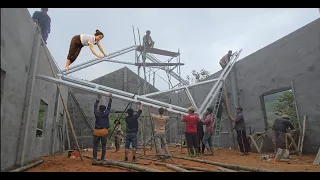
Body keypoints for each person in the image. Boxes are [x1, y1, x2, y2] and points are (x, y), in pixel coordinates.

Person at [92, 93, 112, 161]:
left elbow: (95, 107)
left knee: (95, 145)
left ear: (99, 109)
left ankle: (94, 158)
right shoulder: (106, 113)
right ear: (104, 110)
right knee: (103, 145)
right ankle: (102, 158)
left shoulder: (97, 114)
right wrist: (110, 98)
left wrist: (98, 99)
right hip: (104, 131)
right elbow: (109, 107)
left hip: (97, 131)